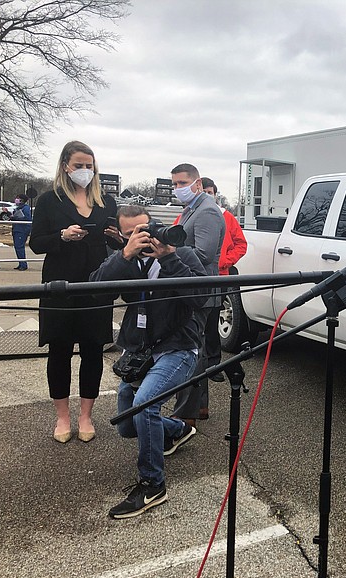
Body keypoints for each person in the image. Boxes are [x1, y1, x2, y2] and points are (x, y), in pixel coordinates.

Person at [90, 205, 206, 518]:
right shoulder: (128, 259)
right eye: (133, 234)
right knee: (128, 425)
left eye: (147, 228)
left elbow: (201, 298)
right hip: (141, 351)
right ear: (122, 234)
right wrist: (124, 255)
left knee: (143, 406)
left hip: (178, 347)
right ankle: (178, 429)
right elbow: (95, 288)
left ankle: (153, 484)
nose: (144, 237)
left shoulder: (183, 254)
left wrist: (168, 257)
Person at [28, 141, 120, 443]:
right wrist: (61, 236)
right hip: (60, 285)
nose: (85, 171)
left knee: (93, 351)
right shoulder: (49, 200)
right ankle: (63, 416)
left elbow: (118, 244)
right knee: (60, 351)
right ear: (65, 165)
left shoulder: (106, 201)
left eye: (89, 165)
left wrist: (117, 238)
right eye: (79, 165)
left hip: (96, 285)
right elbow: (37, 242)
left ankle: (85, 415)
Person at [168, 164, 225, 424]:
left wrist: (168, 252)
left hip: (199, 290)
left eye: (182, 183)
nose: (178, 189)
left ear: (198, 183)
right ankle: (197, 407)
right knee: (194, 347)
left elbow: (203, 254)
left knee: (192, 349)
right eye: (175, 184)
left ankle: (187, 414)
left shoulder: (207, 212)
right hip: (189, 287)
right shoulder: (192, 209)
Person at [198, 177, 248, 383]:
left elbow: (240, 244)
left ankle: (213, 364)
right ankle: (195, 363)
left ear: (215, 194)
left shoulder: (227, 217)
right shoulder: (190, 214)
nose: (208, 196)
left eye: (210, 192)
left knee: (212, 321)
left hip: (218, 277)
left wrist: (222, 262)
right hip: (196, 276)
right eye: (204, 192)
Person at [11, 194, 32, 270]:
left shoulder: (25, 208)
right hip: (16, 229)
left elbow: (27, 218)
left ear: (22, 200)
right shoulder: (18, 208)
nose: (16, 199)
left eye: (18, 198)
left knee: (20, 247)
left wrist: (16, 218)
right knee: (17, 247)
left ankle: (23, 265)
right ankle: (20, 263)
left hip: (22, 230)